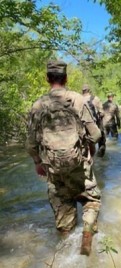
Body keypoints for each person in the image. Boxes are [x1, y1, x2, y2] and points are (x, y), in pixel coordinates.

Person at [26, 60, 102, 256]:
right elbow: (95, 135)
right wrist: (90, 149)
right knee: (91, 199)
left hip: (53, 167)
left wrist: (37, 163)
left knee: (63, 208)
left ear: (47, 79)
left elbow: (31, 143)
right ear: (66, 78)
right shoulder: (78, 100)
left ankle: (66, 247)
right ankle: (87, 235)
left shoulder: (38, 105)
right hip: (79, 164)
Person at [82, 84, 106, 157]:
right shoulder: (95, 99)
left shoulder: (78, 99)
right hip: (94, 124)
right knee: (102, 138)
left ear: (82, 91)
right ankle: (101, 156)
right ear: (89, 90)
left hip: (82, 125)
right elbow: (102, 113)